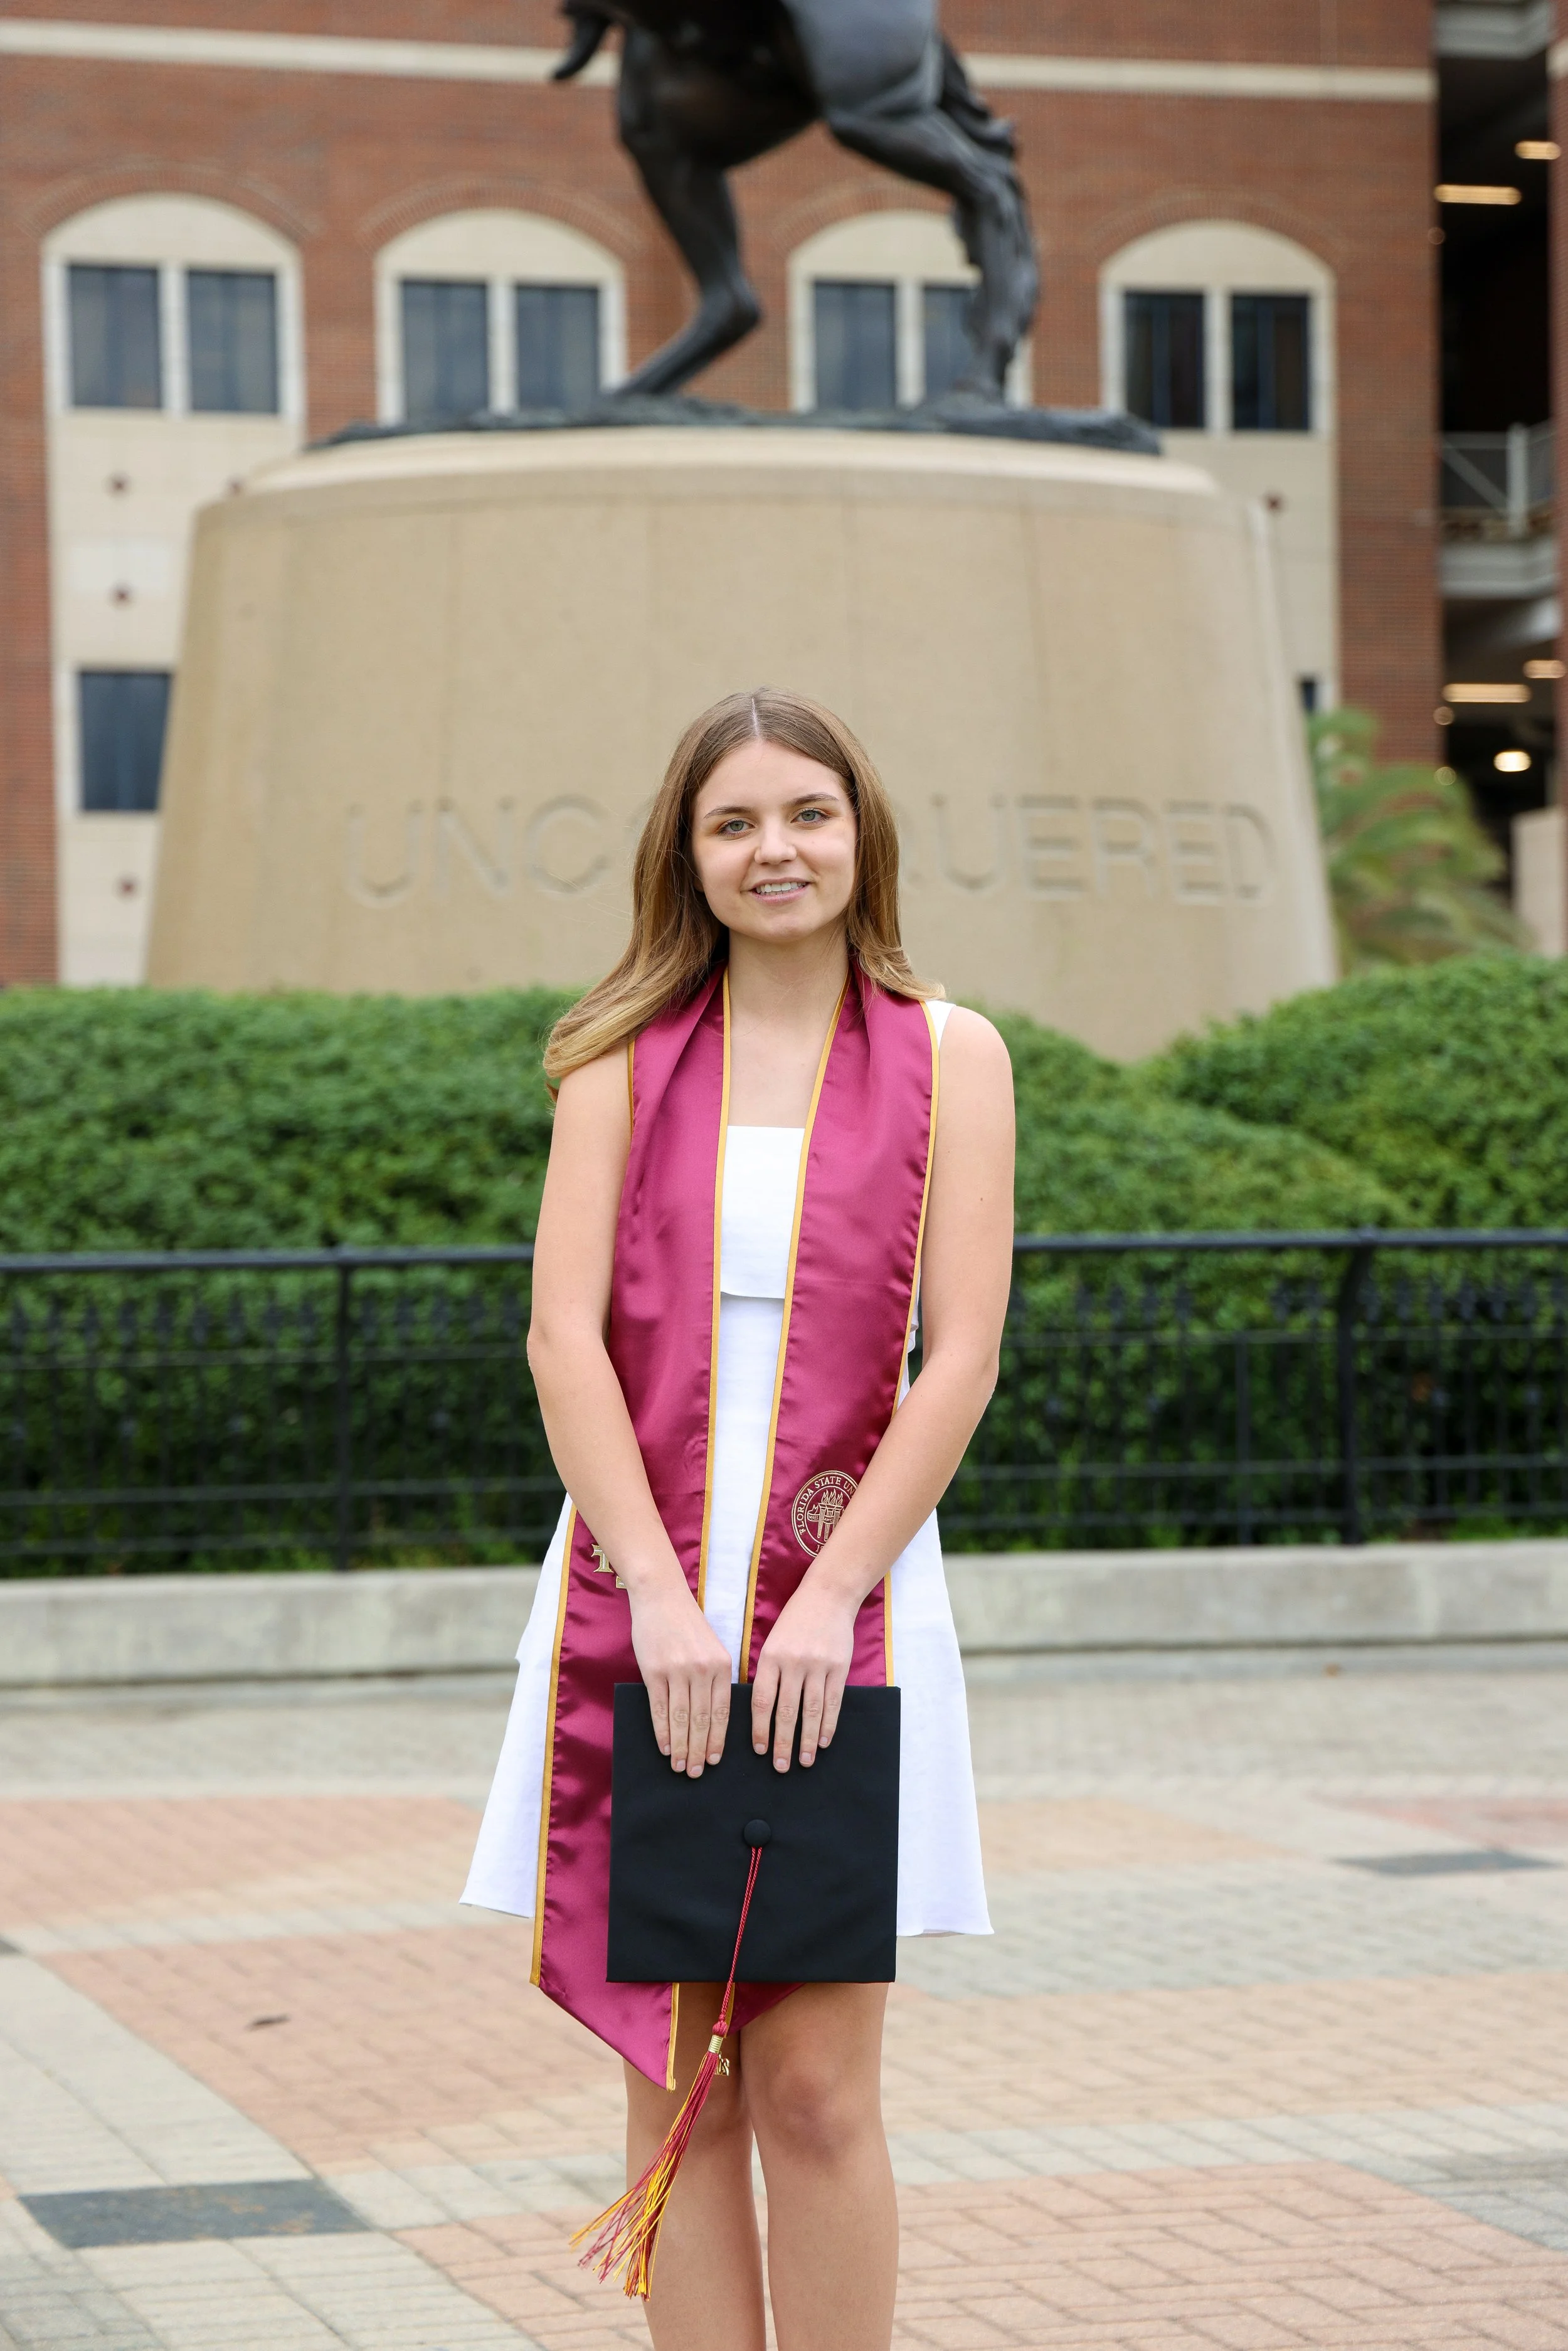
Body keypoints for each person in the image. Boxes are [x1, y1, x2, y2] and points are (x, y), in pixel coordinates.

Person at [464, 687, 1015, 2351]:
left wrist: (826, 1591)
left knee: (817, 2089)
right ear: (686, 857)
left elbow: (964, 1349)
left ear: (861, 835)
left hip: (842, 1610)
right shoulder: (617, 1060)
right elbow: (564, 1337)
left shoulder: (948, 1053)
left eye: (806, 814)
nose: (775, 848)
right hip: (644, 1600)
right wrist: (655, 1590)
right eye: (733, 822)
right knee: (681, 2079)